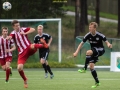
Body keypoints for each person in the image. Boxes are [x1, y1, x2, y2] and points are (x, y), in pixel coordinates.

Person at [8, 20, 48, 88]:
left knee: (32, 45)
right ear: (13, 27)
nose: (18, 26)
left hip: (28, 48)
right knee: (19, 68)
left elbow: (33, 29)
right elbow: (10, 37)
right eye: (16, 26)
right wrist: (8, 38)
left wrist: (25, 33)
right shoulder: (13, 33)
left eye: (18, 25)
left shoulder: (23, 29)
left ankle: (43, 45)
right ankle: (25, 80)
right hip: (22, 53)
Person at [73, 22, 112, 88]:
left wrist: (109, 45)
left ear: (94, 28)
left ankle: (84, 68)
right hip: (94, 51)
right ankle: (97, 82)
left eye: (91, 27)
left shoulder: (100, 35)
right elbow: (81, 44)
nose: (89, 28)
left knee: (88, 52)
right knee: (91, 67)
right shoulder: (88, 35)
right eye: (89, 27)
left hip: (101, 50)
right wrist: (76, 52)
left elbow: (107, 42)